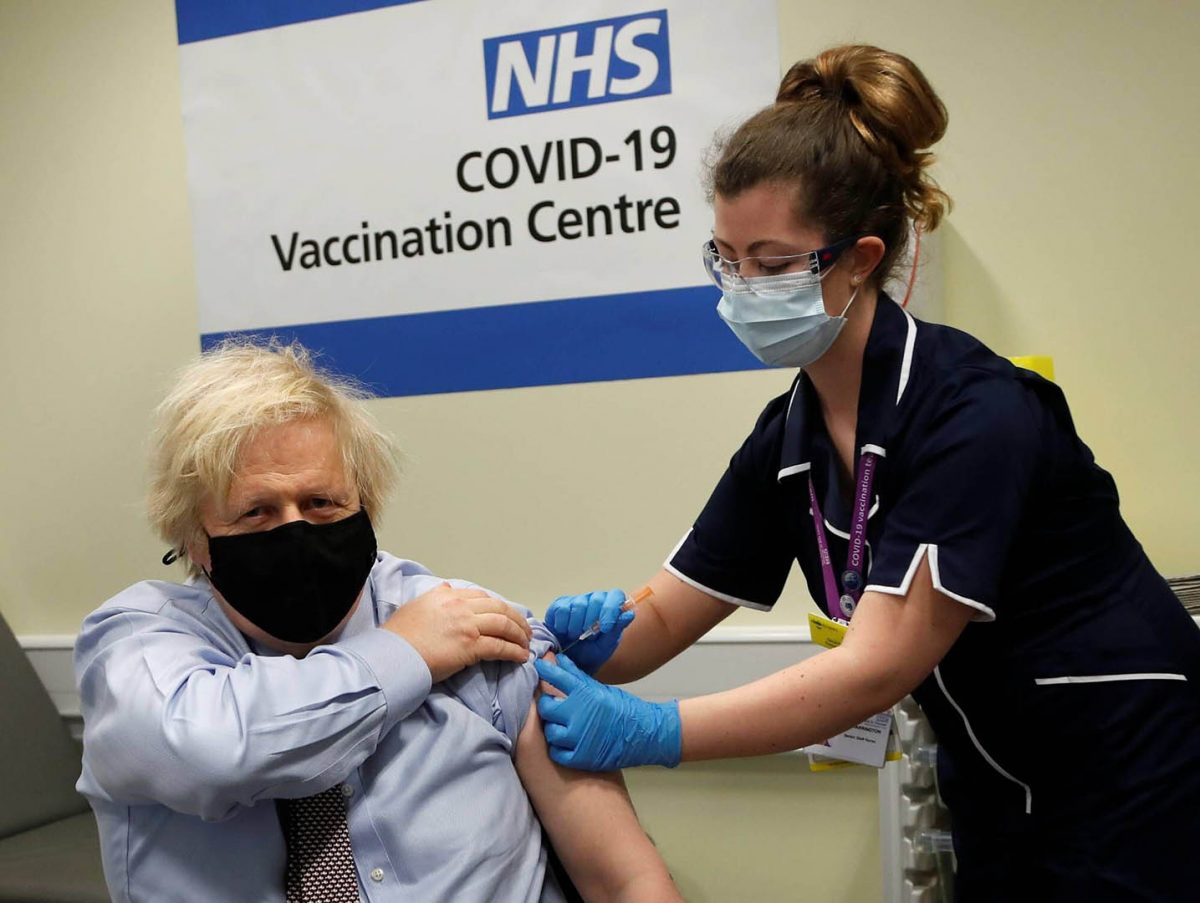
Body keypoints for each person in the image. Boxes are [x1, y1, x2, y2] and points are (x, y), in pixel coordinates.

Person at [533, 44, 1200, 900]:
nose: (742, 288)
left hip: (1139, 771)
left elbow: (877, 666)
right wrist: (601, 642)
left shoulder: (976, 411)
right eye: (725, 259)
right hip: (999, 785)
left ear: (859, 258)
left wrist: (653, 729)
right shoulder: (791, 436)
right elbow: (667, 609)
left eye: (773, 264)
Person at [74, 340, 681, 903]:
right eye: (256, 512)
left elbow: (625, 879)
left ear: (366, 504)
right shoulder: (136, 644)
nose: (296, 530)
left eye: (321, 503)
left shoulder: (469, 622)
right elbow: (212, 751)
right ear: (193, 539)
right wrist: (404, 653)